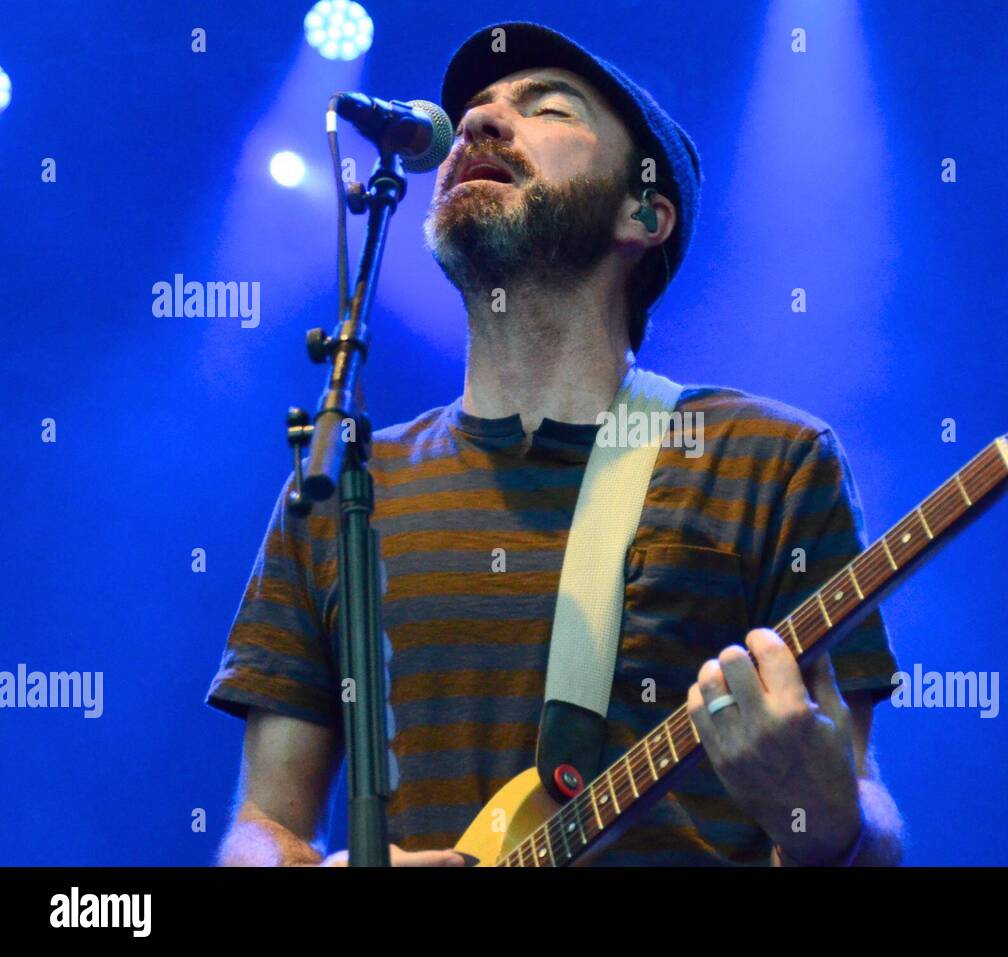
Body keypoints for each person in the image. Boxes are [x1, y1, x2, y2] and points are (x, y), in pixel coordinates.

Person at [207, 21, 903, 867]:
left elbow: (863, 805)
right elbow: (260, 826)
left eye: (547, 109)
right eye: (477, 110)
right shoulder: (344, 487)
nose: (480, 123)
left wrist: (830, 819)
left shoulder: (770, 460)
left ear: (643, 210)